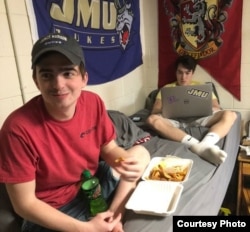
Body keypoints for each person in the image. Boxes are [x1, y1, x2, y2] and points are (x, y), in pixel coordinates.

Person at [0, 33, 150, 232]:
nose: (58, 84)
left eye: (68, 73)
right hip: (53, 211)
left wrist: (124, 162)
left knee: (141, 153)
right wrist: (85, 228)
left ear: (84, 78)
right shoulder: (17, 129)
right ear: (36, 81)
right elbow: (24, 205)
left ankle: (113, 219)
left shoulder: (93, 102)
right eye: (46, 75)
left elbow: (109, 148)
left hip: (93, 187)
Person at [146, 55, 237, 165]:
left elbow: (216, 107)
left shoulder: (202, 87)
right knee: (151, 120)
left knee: (230, 114)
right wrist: (168, 110)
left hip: (200, 118)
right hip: (175, 120)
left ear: (192, 73)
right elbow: (155, 110)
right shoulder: (167, 89)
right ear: (176, 73)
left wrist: (201, 106)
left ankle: (205, 144)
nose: (183, 77)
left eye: (187, 73)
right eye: (180, 72)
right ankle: (196, 146)